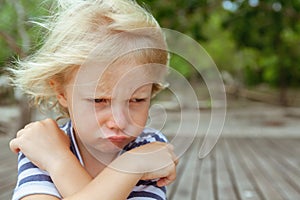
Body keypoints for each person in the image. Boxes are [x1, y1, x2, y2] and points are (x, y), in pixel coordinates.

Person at [8, 0, 178, 199]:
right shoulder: (41, 145)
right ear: (61, 92)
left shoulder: (147, 148)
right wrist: (132, 167)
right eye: (99, 100)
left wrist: (56, 161)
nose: (119, 122)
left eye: (137, 100)